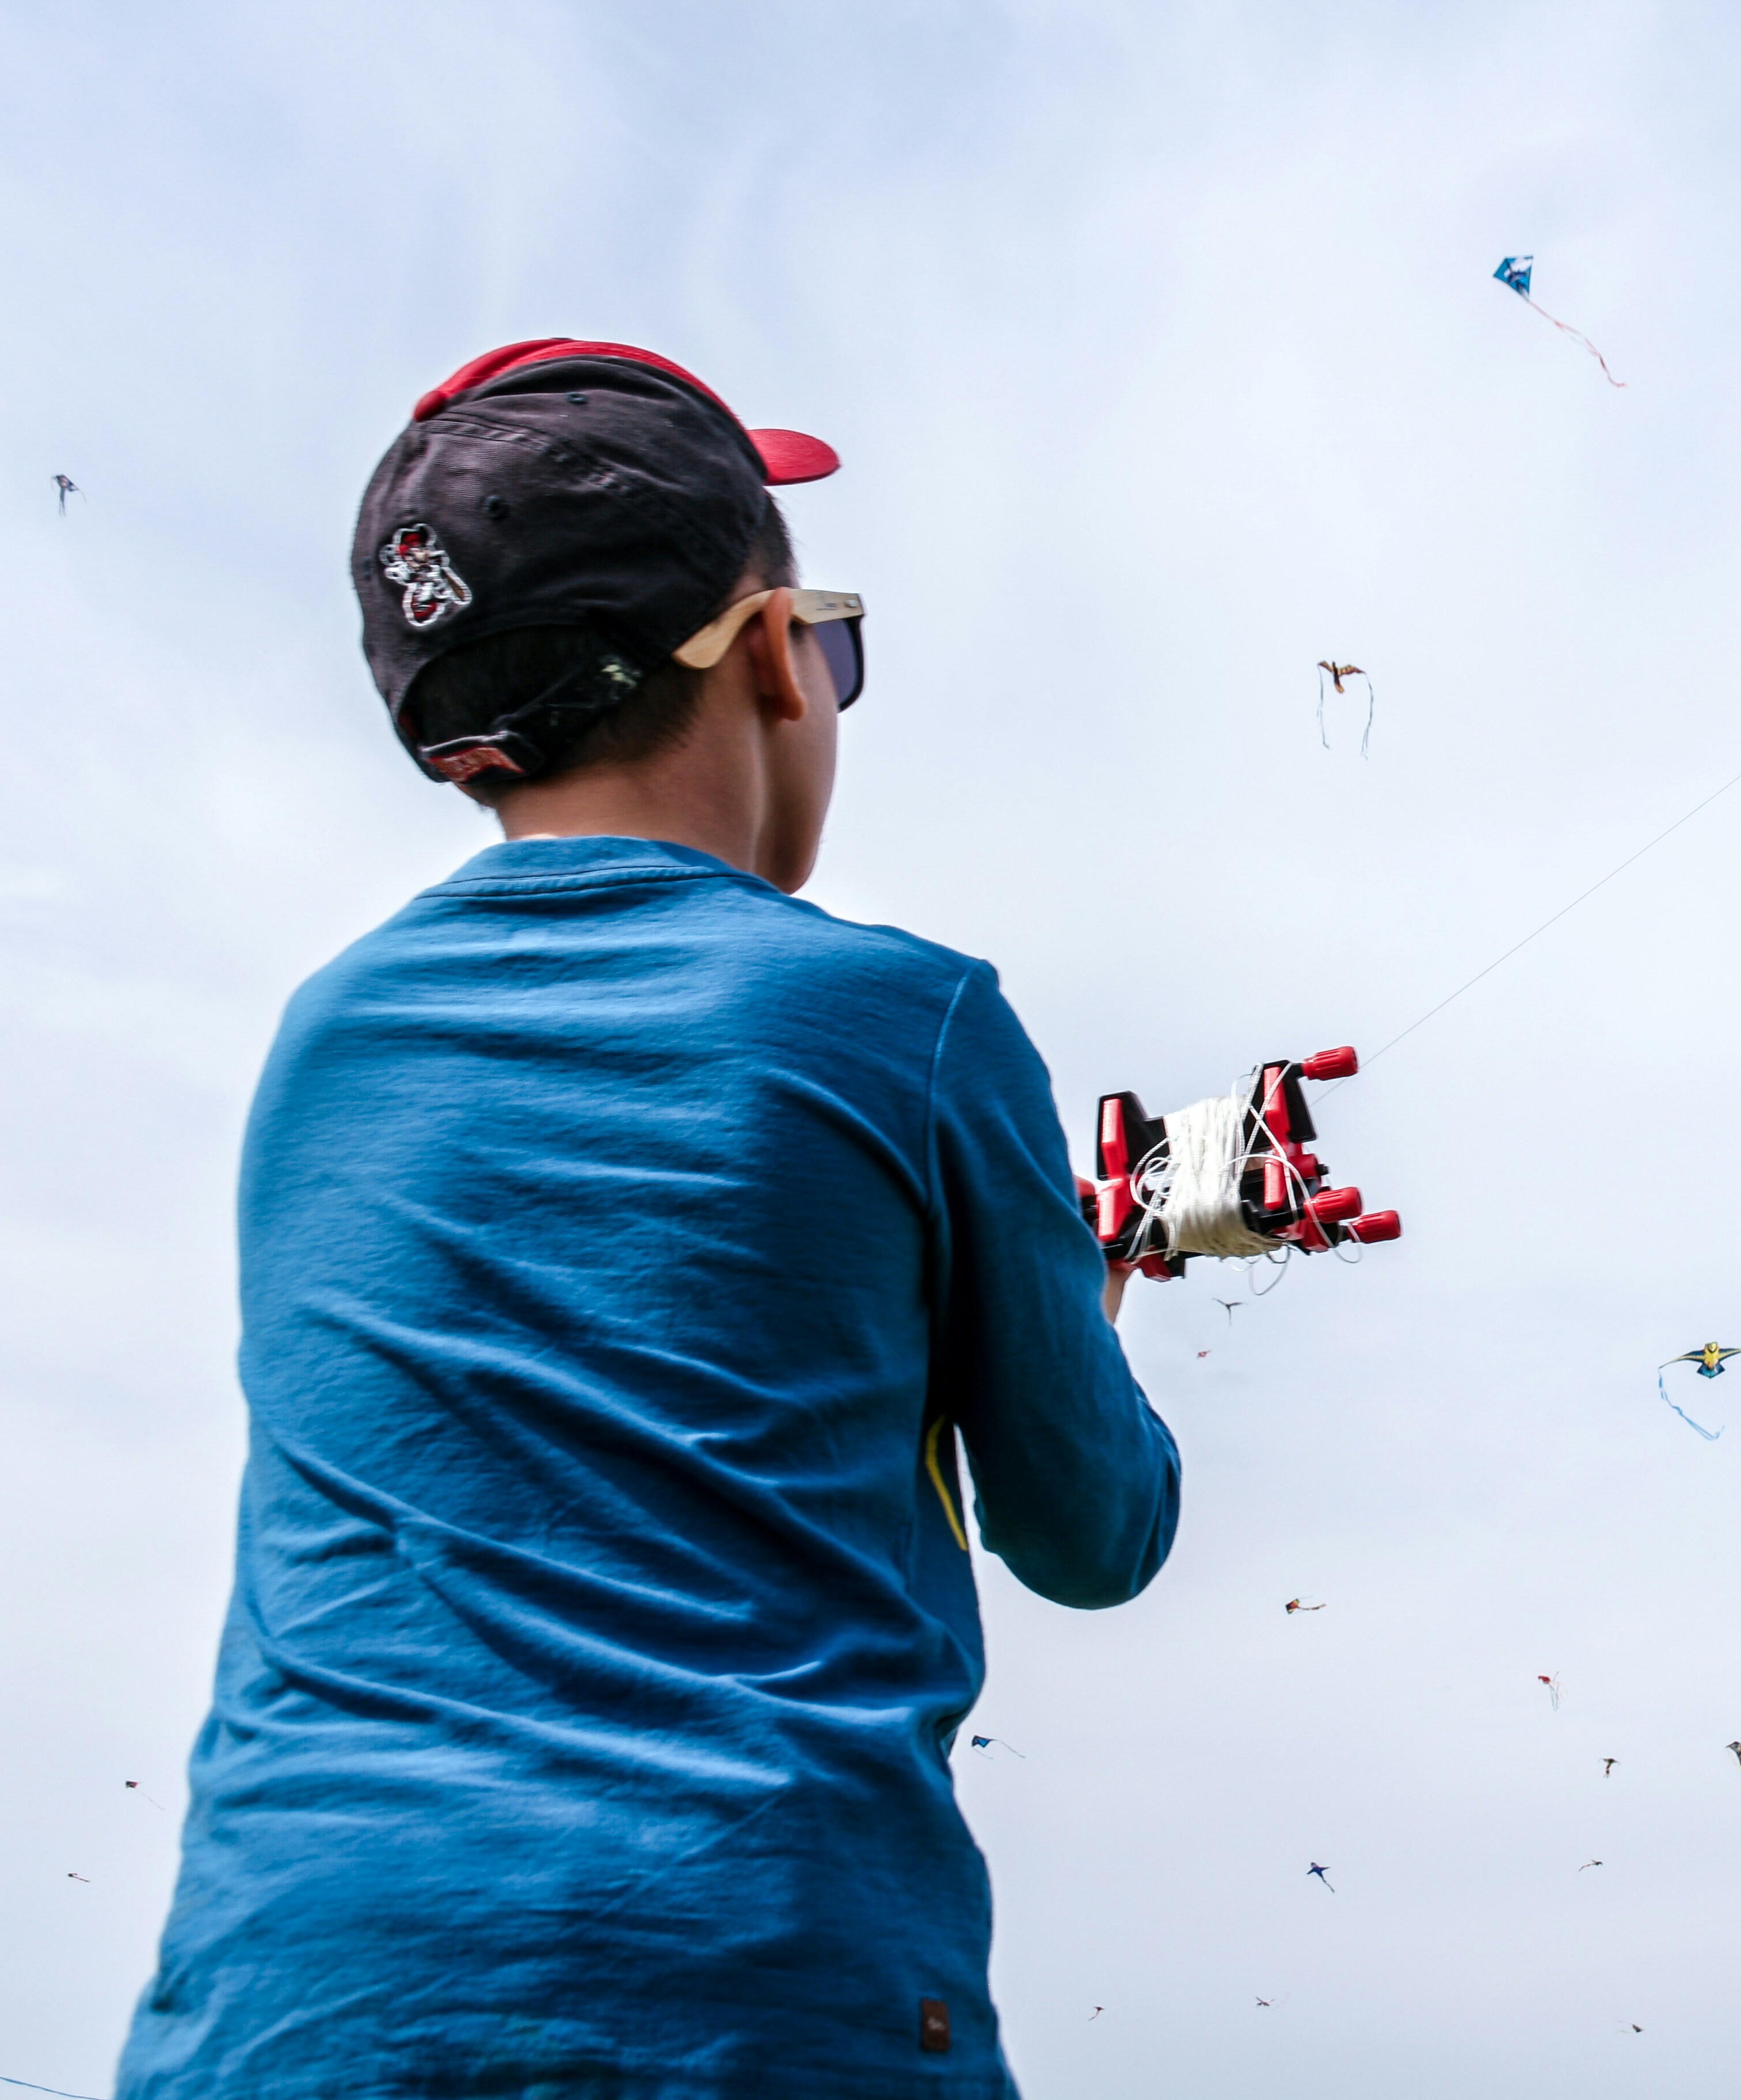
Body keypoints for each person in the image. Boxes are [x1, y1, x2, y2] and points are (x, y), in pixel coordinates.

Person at [116, 340, 1180, 2100]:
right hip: (740, 1985)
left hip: (277, 2008)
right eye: (828, 639)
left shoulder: (325, 1036)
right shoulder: (911, 1021)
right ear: (772, 653)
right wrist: (1081, 1279)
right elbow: (1091, 1531)